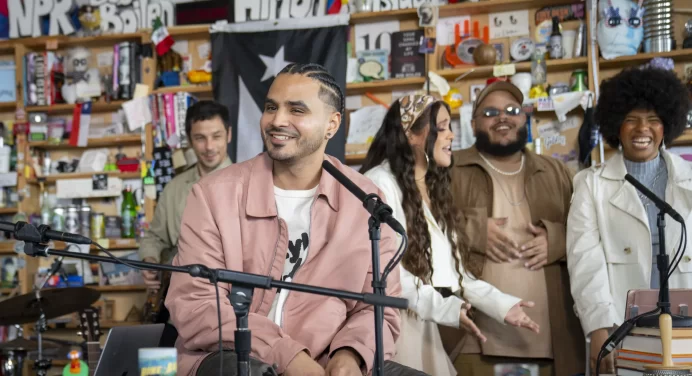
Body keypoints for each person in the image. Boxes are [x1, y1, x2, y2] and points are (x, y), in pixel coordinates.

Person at [165, 63, 424, 376]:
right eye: (271, 107)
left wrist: (351, 354)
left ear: (332, 124)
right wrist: (287, 356)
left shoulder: (366, 201)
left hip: (327, 361)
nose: (277, 120)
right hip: (236, 359)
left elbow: (380, 306)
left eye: (296, 110)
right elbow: (196, 303)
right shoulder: (212, 195)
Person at [360, 94, 540, 376]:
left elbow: (456, 275)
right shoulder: (379, 183)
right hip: (393, 328)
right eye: (442, 127)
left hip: (422, 324)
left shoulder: (431, 190)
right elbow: (384, 275)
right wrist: (446, 308)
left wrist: (503, 305)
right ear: (412, 136)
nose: (452, 135)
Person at [449, 81, 585, 375]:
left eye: (512, 110)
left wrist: (558, 241)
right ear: (473, 124)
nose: (503, 117)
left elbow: (589, 231)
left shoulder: (557, 171)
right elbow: (417, 226)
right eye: (490, 112)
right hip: (473, 342)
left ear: (526, 119)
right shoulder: (448, 168)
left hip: (550, 343)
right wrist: (471, 230)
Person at [567, 66, 692, 374]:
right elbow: (585, 261)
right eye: (631, 119)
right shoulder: (590, 184)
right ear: (615, 126)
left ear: (667, 125)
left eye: (653, 120)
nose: (642, 129)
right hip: (621, 327)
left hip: (685, 321)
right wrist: (598, 327)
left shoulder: (689, 179)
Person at [139, 100, 233, 291]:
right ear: (190, 140)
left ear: (229, 135)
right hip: (182, 295)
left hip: (233, 298)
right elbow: (155, 237)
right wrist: (149, 260)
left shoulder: (250, 185)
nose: (209, 146)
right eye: (200, 138)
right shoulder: (174, 188)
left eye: (216, 136)